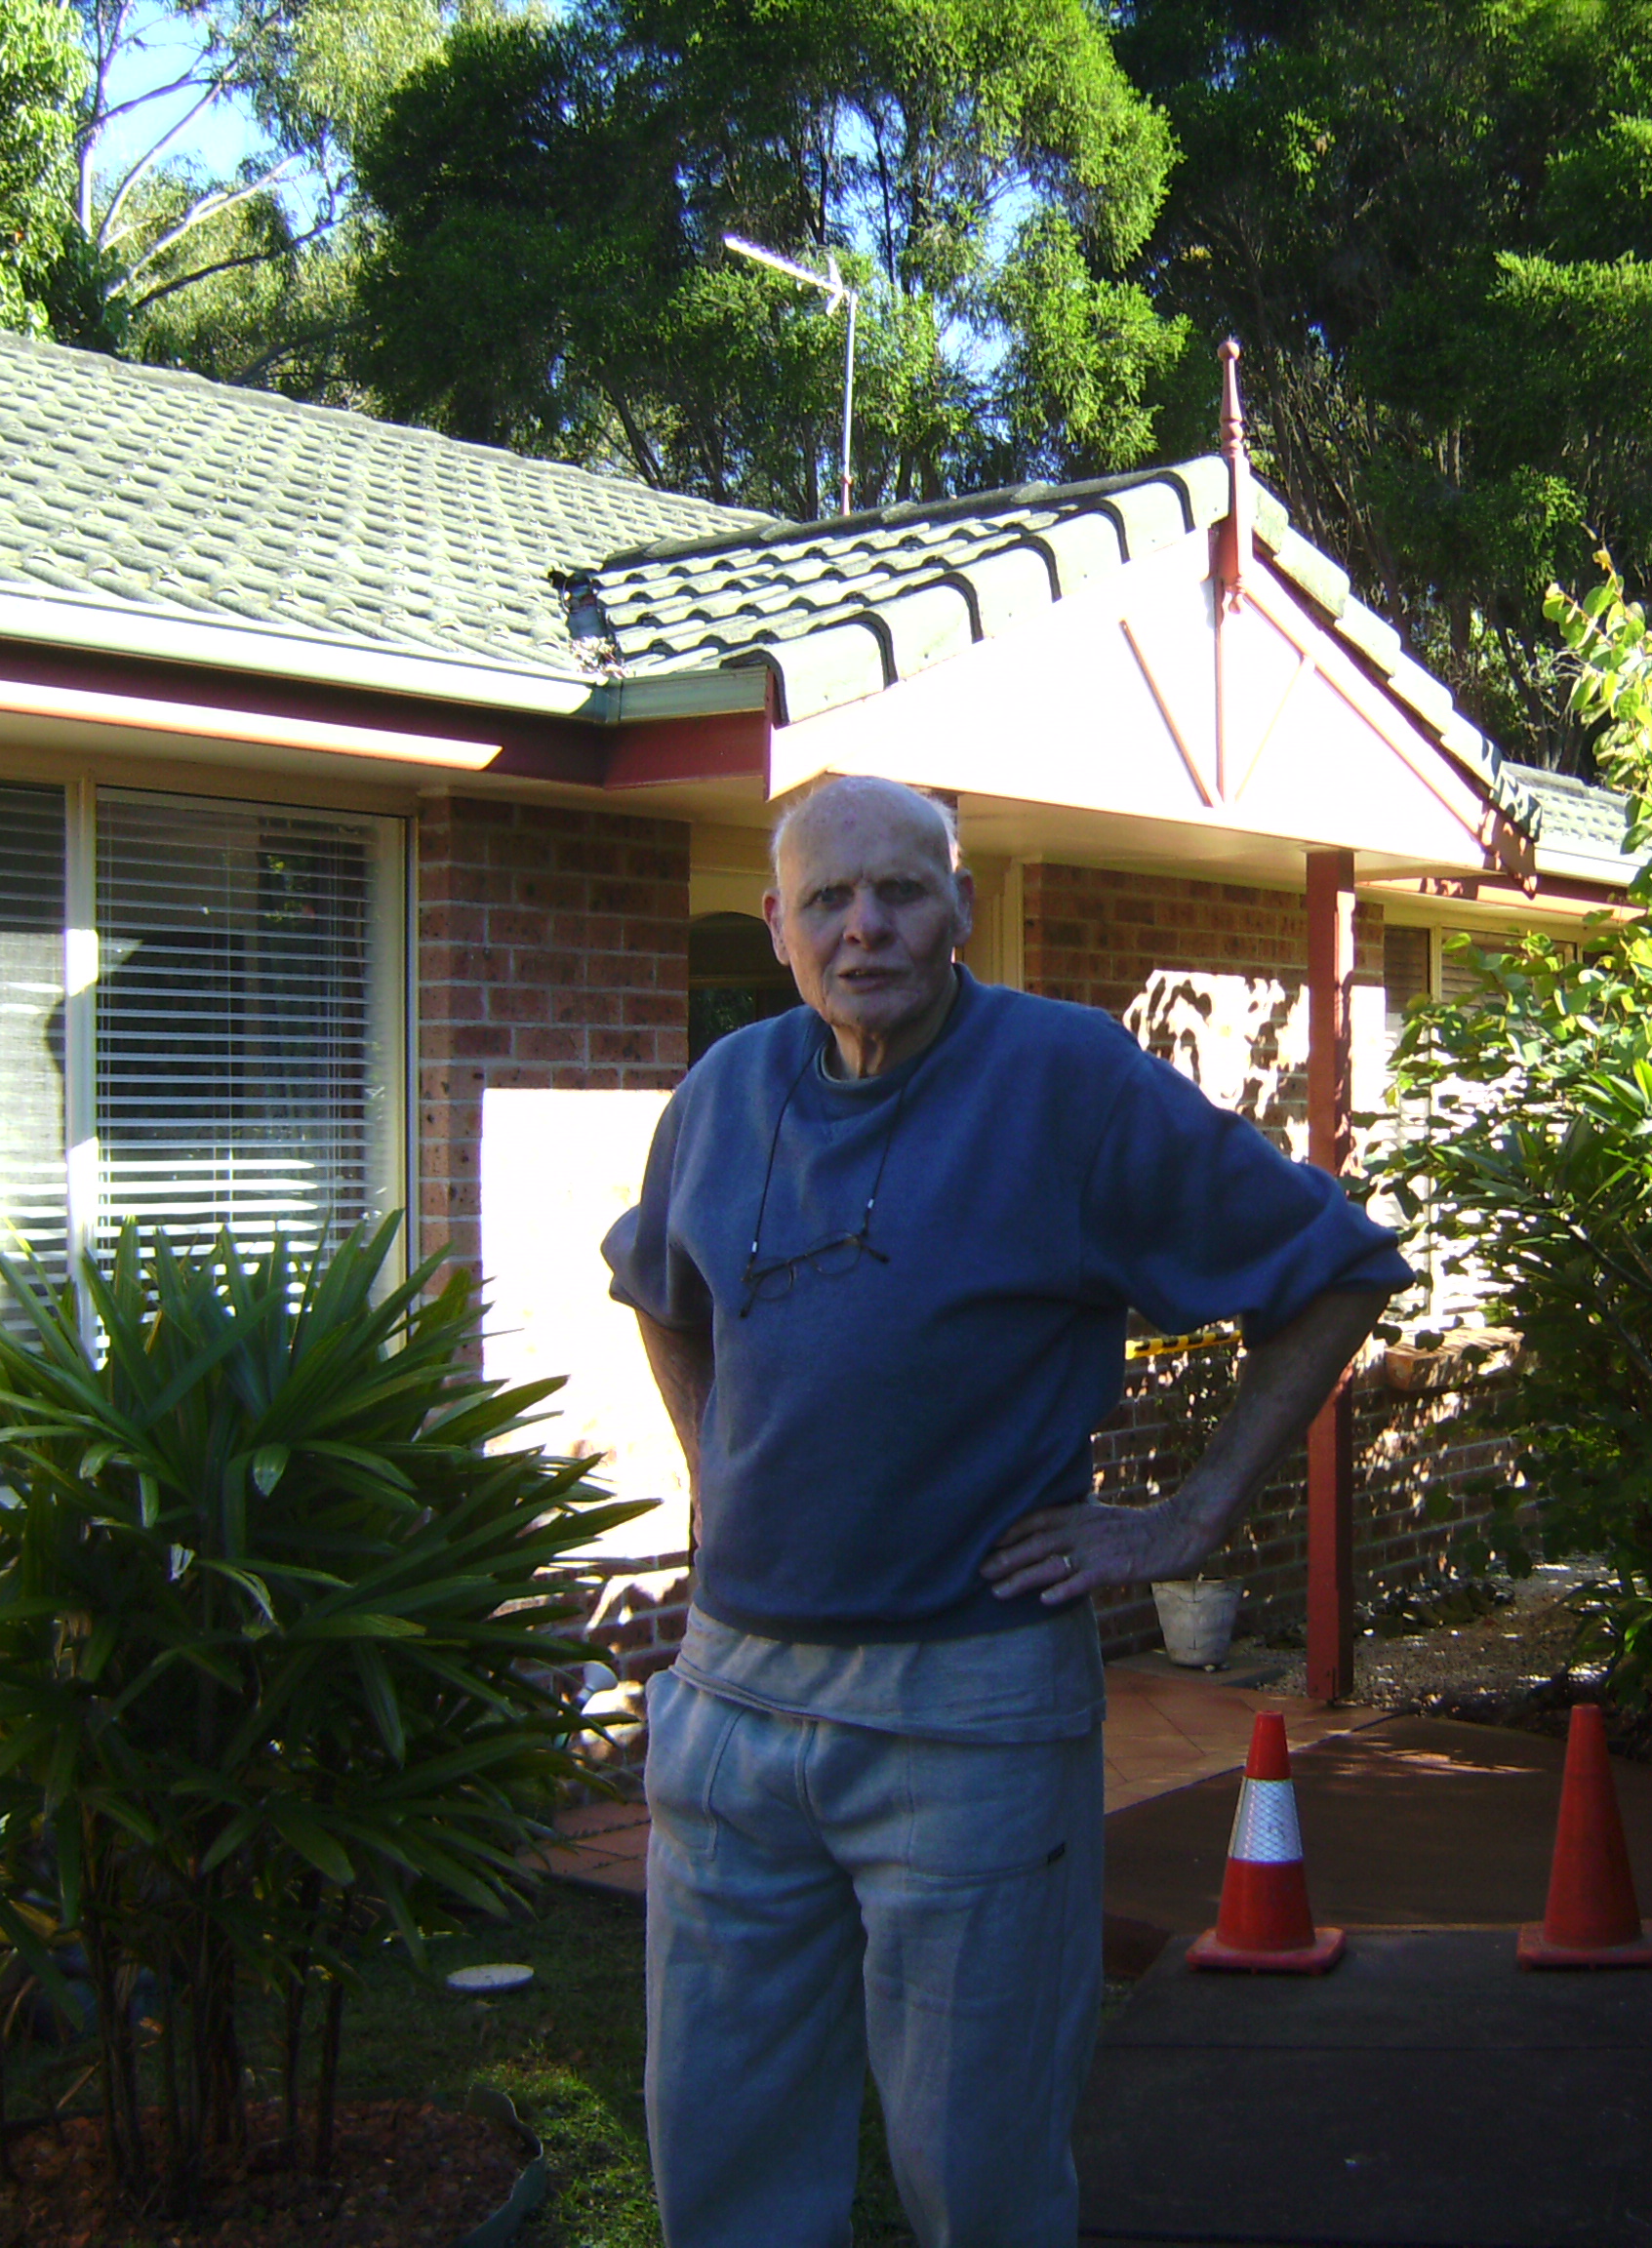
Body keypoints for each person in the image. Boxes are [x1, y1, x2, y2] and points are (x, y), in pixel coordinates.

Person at [602, 775, 1406, 2248]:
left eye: (901, 892)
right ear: (775, 925)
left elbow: (1338, 1266)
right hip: (731, 1705)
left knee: (979, 2177)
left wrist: (1191, 1515)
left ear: (961, 907)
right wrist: (714, 1466)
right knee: (718, 2161)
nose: (864, 928)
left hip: (967, 1713)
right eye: (828, 900)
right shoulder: (723, 1090)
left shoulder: (1066, 1081)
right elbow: (660, 1285)